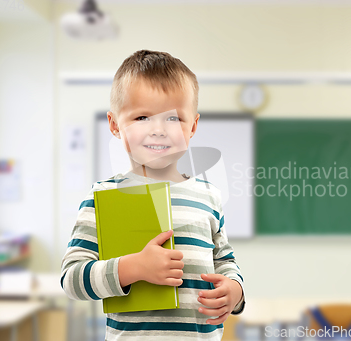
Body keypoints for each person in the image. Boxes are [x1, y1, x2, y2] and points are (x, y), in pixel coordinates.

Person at [60, 49, 245, 341]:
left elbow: (225, 260)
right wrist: (133, 268)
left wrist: (235, 291)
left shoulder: (208, 196)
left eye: (173, 118)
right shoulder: (102, 197)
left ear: (193, 126)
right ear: (114, 125)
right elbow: (71, 279)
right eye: (142, 117)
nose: (158, 130)